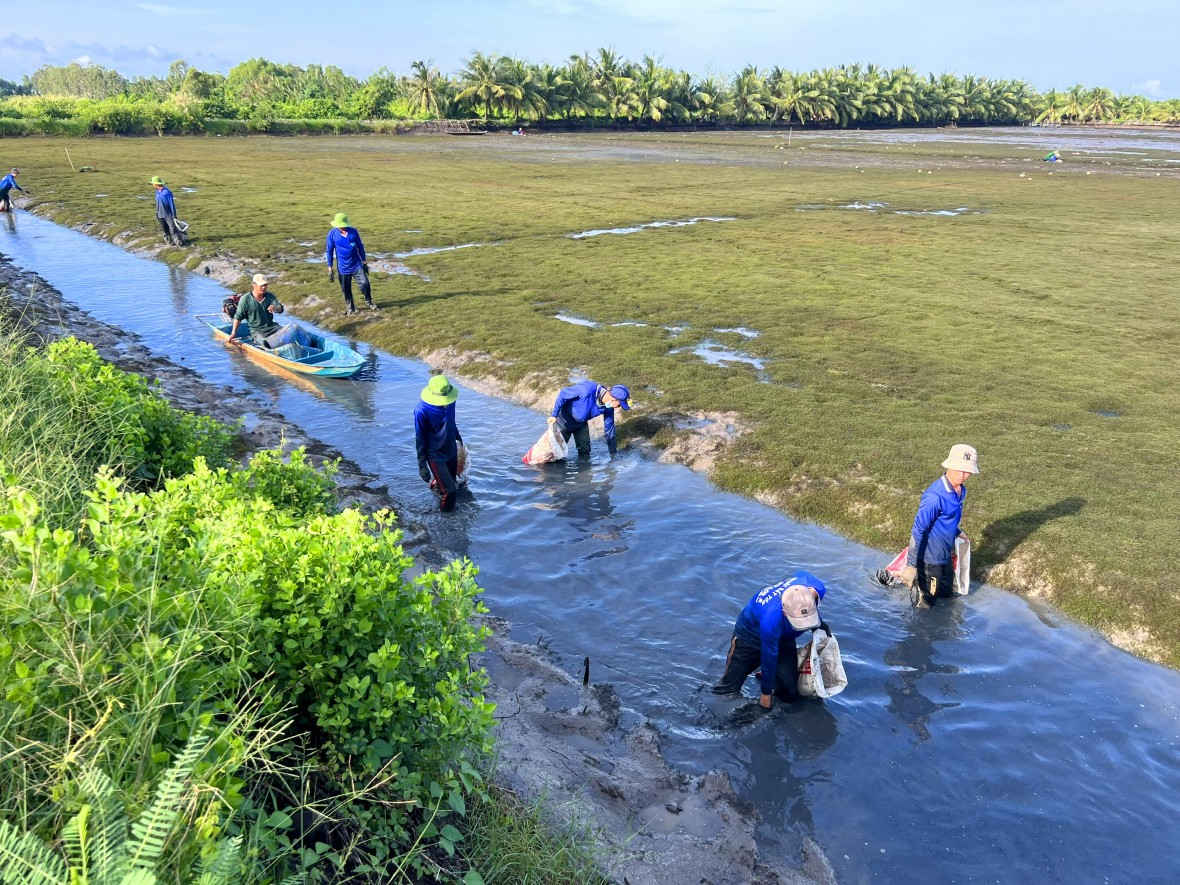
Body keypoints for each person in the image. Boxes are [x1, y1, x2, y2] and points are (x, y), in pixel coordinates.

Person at [712, 571, 828, 709]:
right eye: (799, 621)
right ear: (785, 612)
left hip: (784, 639)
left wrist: (821, 631)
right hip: (749, 637)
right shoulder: (770, 622)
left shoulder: (817, 588)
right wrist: (765, 697)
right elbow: (769, 659)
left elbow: (799, 573)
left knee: (790, 694)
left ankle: (767, 677)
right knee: (727, 689)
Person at [898, 444, 979, 607]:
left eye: (967, 471)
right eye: (959, 470)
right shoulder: (934, 496)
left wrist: (958, 531)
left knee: (947, 594)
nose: (963, 475)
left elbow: (946, 517)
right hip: (929, 560)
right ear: (949, 466)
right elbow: (918, 530)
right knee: (928, 602)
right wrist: (911, 566)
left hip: (944, 556)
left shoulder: (960, 490)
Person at [415, 375, 465, 512]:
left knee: (452, 483)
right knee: (451, 493)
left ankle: (437, 487)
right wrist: (422, 465)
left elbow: (451, 423)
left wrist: (460, 442)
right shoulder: (421, 410)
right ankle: (446, 520)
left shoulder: (451, 402)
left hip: (451, 449)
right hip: (435, 455)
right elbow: (420, 438)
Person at [548, 381, 631, 458]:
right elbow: (563, 394)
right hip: (564, 422)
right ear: (613, 400)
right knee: (555, 454)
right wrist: (554, 415)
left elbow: (610, 430)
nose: (618, 407)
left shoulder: (608, 408)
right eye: (619, 405)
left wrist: (613, 454)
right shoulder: (586, 390)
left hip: (581, 424)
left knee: (585, 452)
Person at [326, 212, 372, 315]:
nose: (342, 227)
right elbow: (329, 251)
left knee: (365, 283)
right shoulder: (332, 234)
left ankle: (368, 300)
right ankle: (350, 308)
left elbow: (360, 247)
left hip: (356, 265)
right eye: (340, 225)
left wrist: (364, 262)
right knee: (346, 290)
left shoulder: (353, 232)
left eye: (344, 225)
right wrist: (330, 268)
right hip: (343, 268)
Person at [226, 274, 285, 345]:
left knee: (287, 336)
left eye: (265, 285)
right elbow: (238, 317)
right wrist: (233, 333)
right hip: (257, 331)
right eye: (261, 285)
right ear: (254, 285)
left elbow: (280, 309)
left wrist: (275, 308)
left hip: (272, 327)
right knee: (266, 343)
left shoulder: (270, 296)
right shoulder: (245, 299)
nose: (263, 287)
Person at [151, 176, 186, 246]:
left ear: (156, 184)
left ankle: (179, 242)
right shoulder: (157, 192)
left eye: (153, 183)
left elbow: (171, 204)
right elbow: (157, 204)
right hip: (160, 215)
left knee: (173, 229)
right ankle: (169, 242)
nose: (152, 185)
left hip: (168, 215)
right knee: (165, 230)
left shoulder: (167, 192)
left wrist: (174, 215)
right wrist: (157, 214)